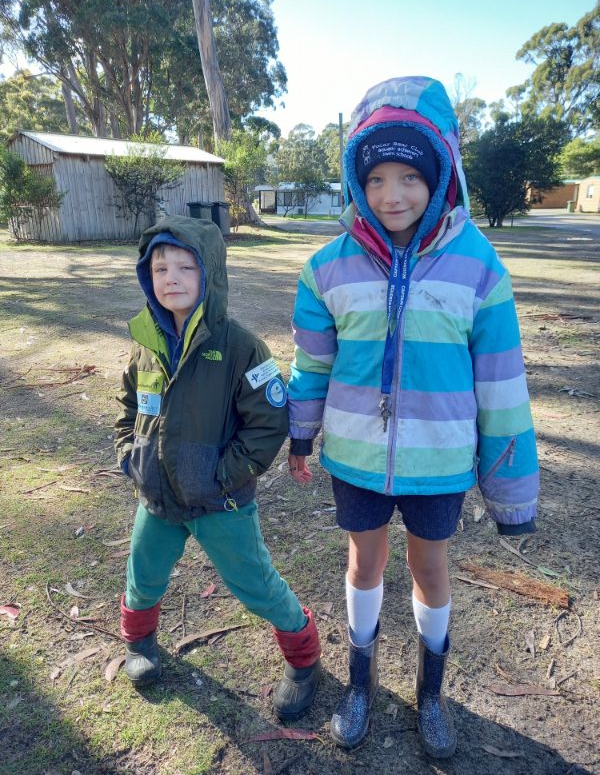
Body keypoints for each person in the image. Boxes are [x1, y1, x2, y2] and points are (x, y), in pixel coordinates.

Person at [287, 76, 539, 756]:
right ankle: (360, 683)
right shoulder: (326, 268)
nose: (390, 195)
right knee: (363, 565)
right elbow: (311, 365)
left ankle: (431, 694)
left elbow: (501, 383)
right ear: (355, 181)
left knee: (431, 569)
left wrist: (510, 490)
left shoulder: (480, 268)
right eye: (374, 179)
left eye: (408, 176)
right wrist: (301, 435)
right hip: (357, 457)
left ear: (440, 176)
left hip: (439, 460)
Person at [114, 215, 320, 720]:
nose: (172, 278)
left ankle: (304, 657)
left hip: (220, 502)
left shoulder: (242, 347)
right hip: (158, 498)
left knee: (256, 584)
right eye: (160, 268)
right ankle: (139, 644)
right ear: (147, 276)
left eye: (186, 267)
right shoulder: (145, 342)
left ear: (211, 275)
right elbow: (127, 405)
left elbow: (268, 425)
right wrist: (130, 453)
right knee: (143, 573)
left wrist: (219, 476)